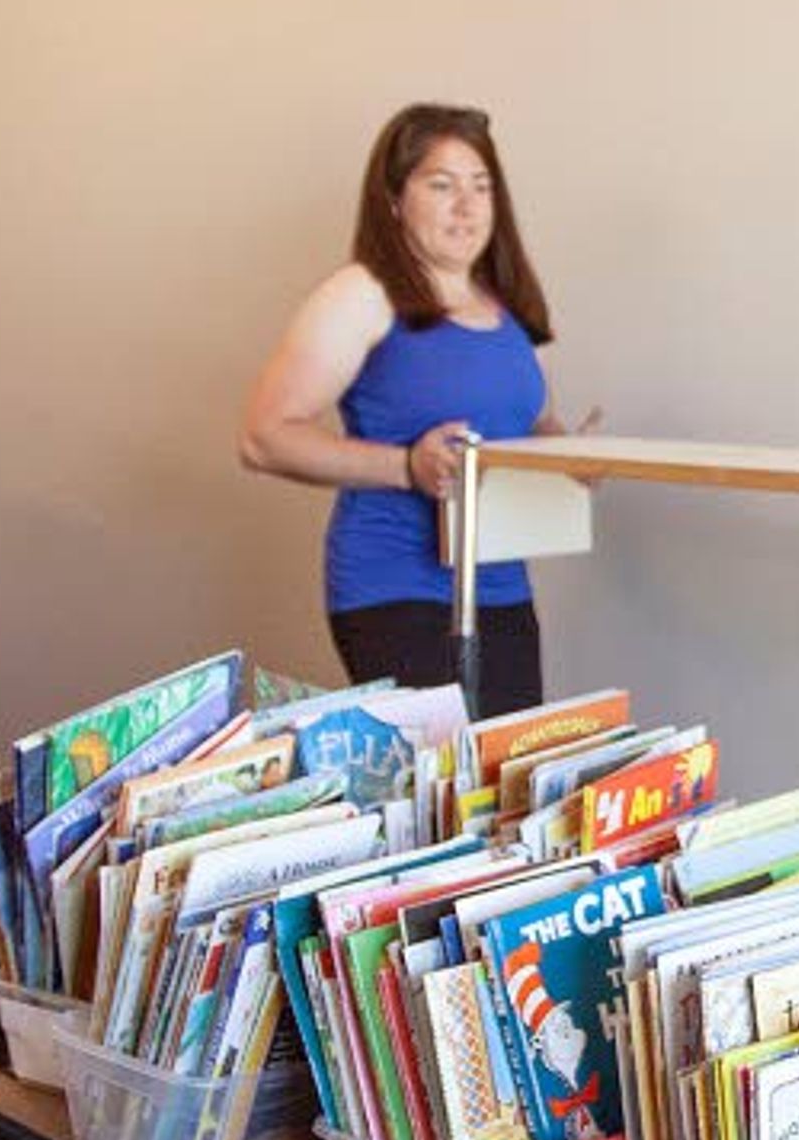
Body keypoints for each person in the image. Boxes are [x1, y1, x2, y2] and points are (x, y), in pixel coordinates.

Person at [239, 103, 592, 718]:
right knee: (440, 793)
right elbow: (265, 437)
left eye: (482, 187)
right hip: (395, 586)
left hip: (502, 589)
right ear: (395, 199)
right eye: (442, 185)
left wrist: (573, 460)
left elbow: (531, 429)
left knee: (505, 787)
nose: (468, 206)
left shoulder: (506, 310)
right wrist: (408, 465)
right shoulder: (362, 295)